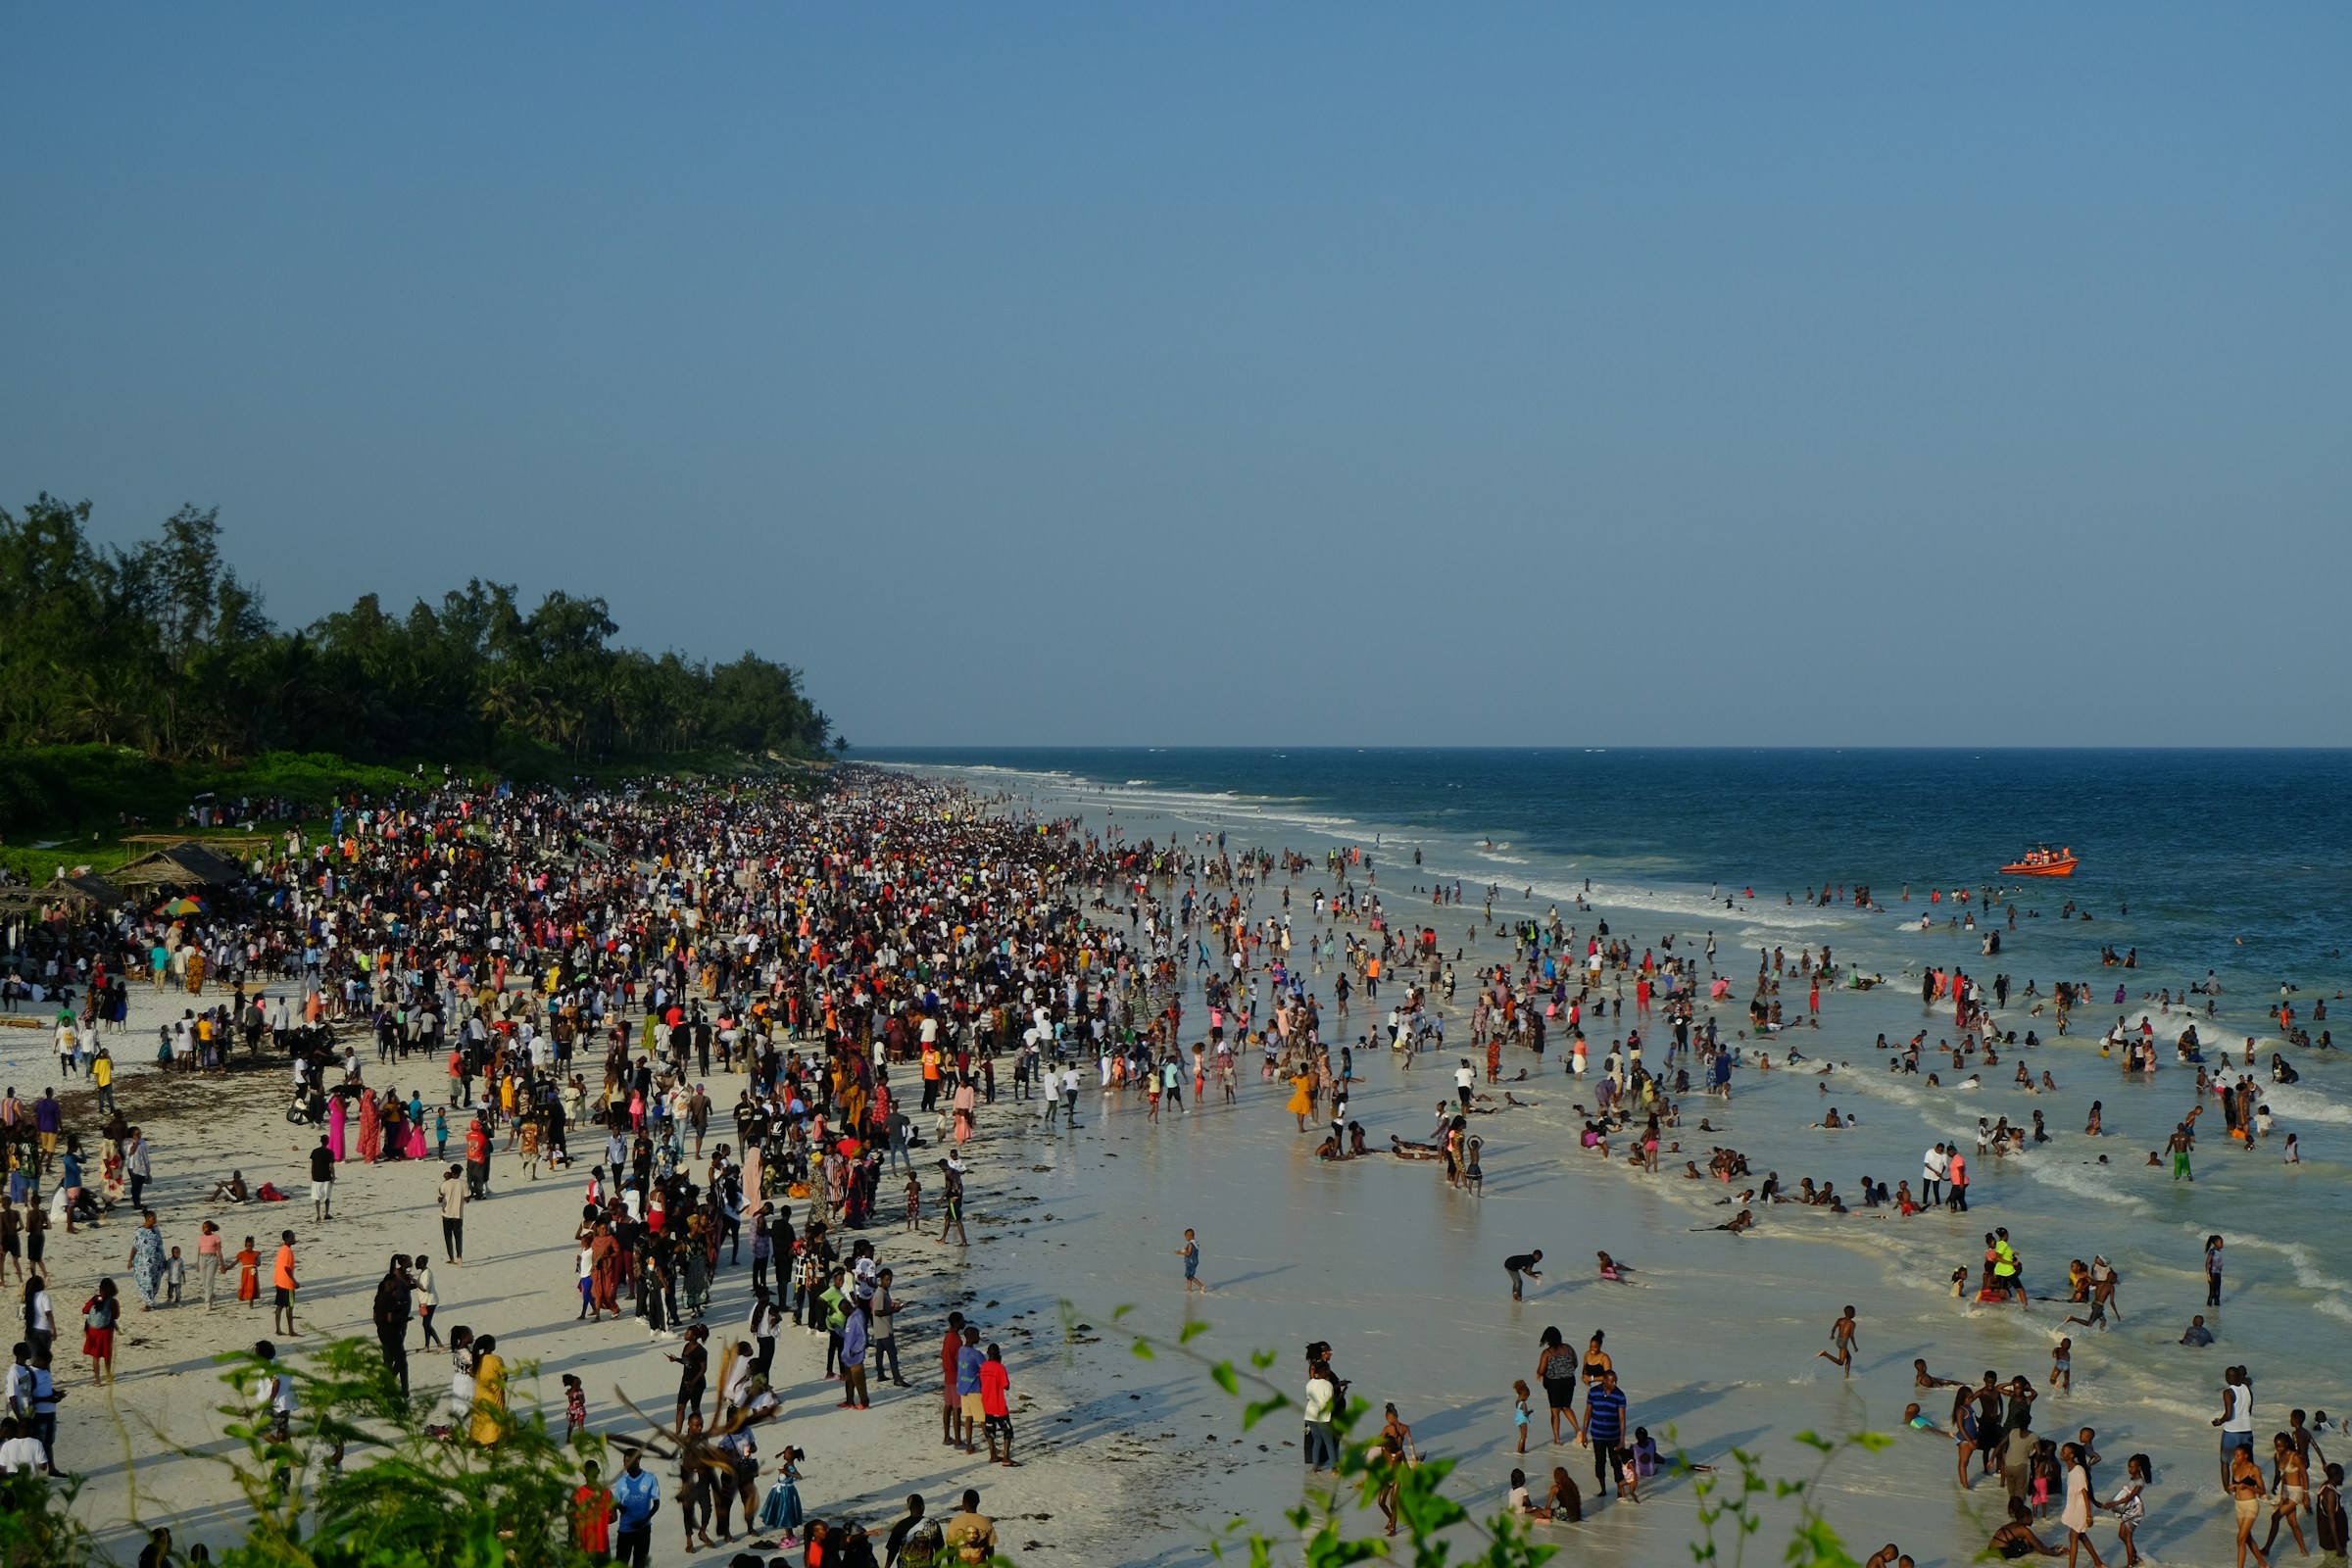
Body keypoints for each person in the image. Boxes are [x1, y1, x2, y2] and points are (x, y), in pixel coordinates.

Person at [610, 1446, 661, 1568]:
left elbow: (656, 1504)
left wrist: (644, 1521)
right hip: (625, 1529)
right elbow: (616, 1502)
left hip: (643, 1530)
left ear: (637, 1460)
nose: (626, 1464)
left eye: (628, 1461)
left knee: (640, 1563)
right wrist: (620, 1507)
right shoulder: (621, 1480)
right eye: (624, 1461)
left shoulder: (650, 1478)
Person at [1988, 1496, 2062, 1559]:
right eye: (2030, 1516)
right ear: (2025, 1517)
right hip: (2001, 1553)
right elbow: (2040, 1548)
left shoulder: (2011, 1525)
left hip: (1990, 1550)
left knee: (2028, 1541)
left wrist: (2050, 1549)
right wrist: (2058, 1554)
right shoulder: (2023, 1530)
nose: (2032, 1519)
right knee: (2028, 1543)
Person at [940, 1488, 997, 1563]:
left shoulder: (955, 1522)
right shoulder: (986, 1522)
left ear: (964, 1503)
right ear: (978, 1502)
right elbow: (990, 1549)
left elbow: (951, 1548)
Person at [1817, 1305, 1858, 1379]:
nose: (1855, 1314)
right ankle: (1825, 1354)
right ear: (1851, 1313)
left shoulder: (1840, 1320)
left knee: (1849, 1358)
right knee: (1841, 1362)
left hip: (1838, 1341)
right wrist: (1855, 1346)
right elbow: (1851, 1336)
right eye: (1854, 1312)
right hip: (1844, 1343)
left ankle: (1846, 1377)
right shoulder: (1852, 1323)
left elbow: (1834, 1328)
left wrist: (1832, 1335)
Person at [270, 1230, 298, 1337]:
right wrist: (294, 1281)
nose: (294, 1239)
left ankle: (278, 1329)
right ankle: (291, 1330)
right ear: (288, 1239)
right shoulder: (288, 1252)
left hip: (279, 1281)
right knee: (290, 1307)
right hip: (288, 1284)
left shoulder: (282, 1249)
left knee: (279, 1306)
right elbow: (287, 1268)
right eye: (293, 1237)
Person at [1177, 1228, 1204, 1294]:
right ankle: (1189, 1289)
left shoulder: (1190, 1244)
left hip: (1191, 1262)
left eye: (1186, 1236)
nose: (1186, 1238)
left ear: (1189, 1236)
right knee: (1188, 1275)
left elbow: (1189, 1253)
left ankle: (1201, 1285)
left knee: (1190, 1276)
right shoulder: (1196, 1243)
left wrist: (1180, 1253)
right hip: (1194, 1261)